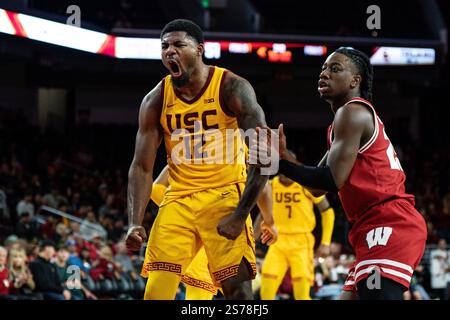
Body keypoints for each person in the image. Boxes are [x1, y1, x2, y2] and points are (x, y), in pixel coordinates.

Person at [251, 47, 427, 300]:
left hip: (388, 222)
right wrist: (285, 159)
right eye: (323, 68)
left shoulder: (352, 112)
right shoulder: (343, 123)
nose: (324, 74)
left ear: (356, 80)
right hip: (370, 227)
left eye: (335, 69)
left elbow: (331, 180)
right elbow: (315, 188)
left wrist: (278, 164)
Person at [125, 19, 276, 300]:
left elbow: (264, 161)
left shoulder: (232, 87)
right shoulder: (155, 99)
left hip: (224, 197)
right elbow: (141, 166)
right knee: (156, 292)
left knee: (239, 293)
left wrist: (240, 215)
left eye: (179, 44)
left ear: (199, 50)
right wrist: (134, 222)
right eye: (165, 46)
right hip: (178, 199)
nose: (170, 51)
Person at [141, 165, 277, 300]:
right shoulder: (242, 147)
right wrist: (269, 221)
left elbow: (156, 189)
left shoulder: (184, 148)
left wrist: (181, 208)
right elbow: (262, 185)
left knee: (158, 291)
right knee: (239, 294)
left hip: (185, 229)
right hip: (223, 228)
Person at [259, 153, 335, 300]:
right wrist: (255, 237)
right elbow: (262, 214)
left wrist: (325, 242)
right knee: (266, 291)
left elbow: (327, 212)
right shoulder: (271, 185)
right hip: (277, 241)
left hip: (301, 242)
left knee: (302, 295)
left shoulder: (305, 185)